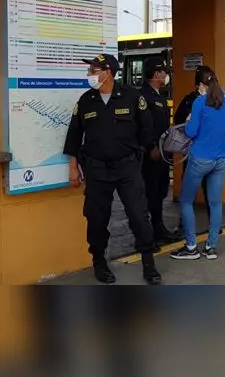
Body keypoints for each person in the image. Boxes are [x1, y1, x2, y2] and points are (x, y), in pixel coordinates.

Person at [63, 53, 162, 285]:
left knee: (139, 216)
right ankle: (99, 262)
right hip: (96, 169)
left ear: (108, 73)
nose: (89, 74)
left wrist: (145, 153)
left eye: (93, 70)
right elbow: (74, 135)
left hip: (127, 168)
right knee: (96, 219)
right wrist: (73, 168)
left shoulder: (132, 97)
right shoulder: (86, 101)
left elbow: (147, 131)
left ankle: (149, 263)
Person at [169, 68, 225, 261]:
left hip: (199, 158)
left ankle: (191, 247)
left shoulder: (199, 102)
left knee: (186, 200)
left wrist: (190, 120)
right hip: (220, 159)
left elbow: (190, 132)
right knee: (215, 203)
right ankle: (211, 246)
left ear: (201, 85)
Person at [171, 65, 220, 236]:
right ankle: (214, 226)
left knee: (189, 194)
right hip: (211, 153)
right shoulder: (218, 99)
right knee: (211, 193)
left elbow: (180, 122)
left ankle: (184, 227)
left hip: (195, 153)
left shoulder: (192, 100)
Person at [138, 57, 181, 250]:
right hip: (150, 155)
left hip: (162, 153)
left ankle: (159, 229)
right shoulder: (143, 97)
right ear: (156, 74)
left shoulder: (159, 97)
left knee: (160, 192)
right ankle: (147, 235)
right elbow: (143, 126)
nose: (166, 75)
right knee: (149, 194)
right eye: (164, 72)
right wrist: (150, 147)